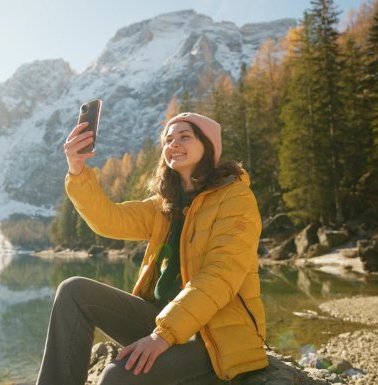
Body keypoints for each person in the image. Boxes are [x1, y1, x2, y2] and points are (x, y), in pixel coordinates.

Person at [36, 112, 268, 385]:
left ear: (208, 146)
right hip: (165, 323)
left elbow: (220, 275)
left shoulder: (235, 197)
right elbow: (108, 219)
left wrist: (162, 336)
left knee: (117, 376)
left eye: (185, 136)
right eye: (168, 139)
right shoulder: (164, 205)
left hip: (217, 337)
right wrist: (77, 169)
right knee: (73, 291)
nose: (173, 143)